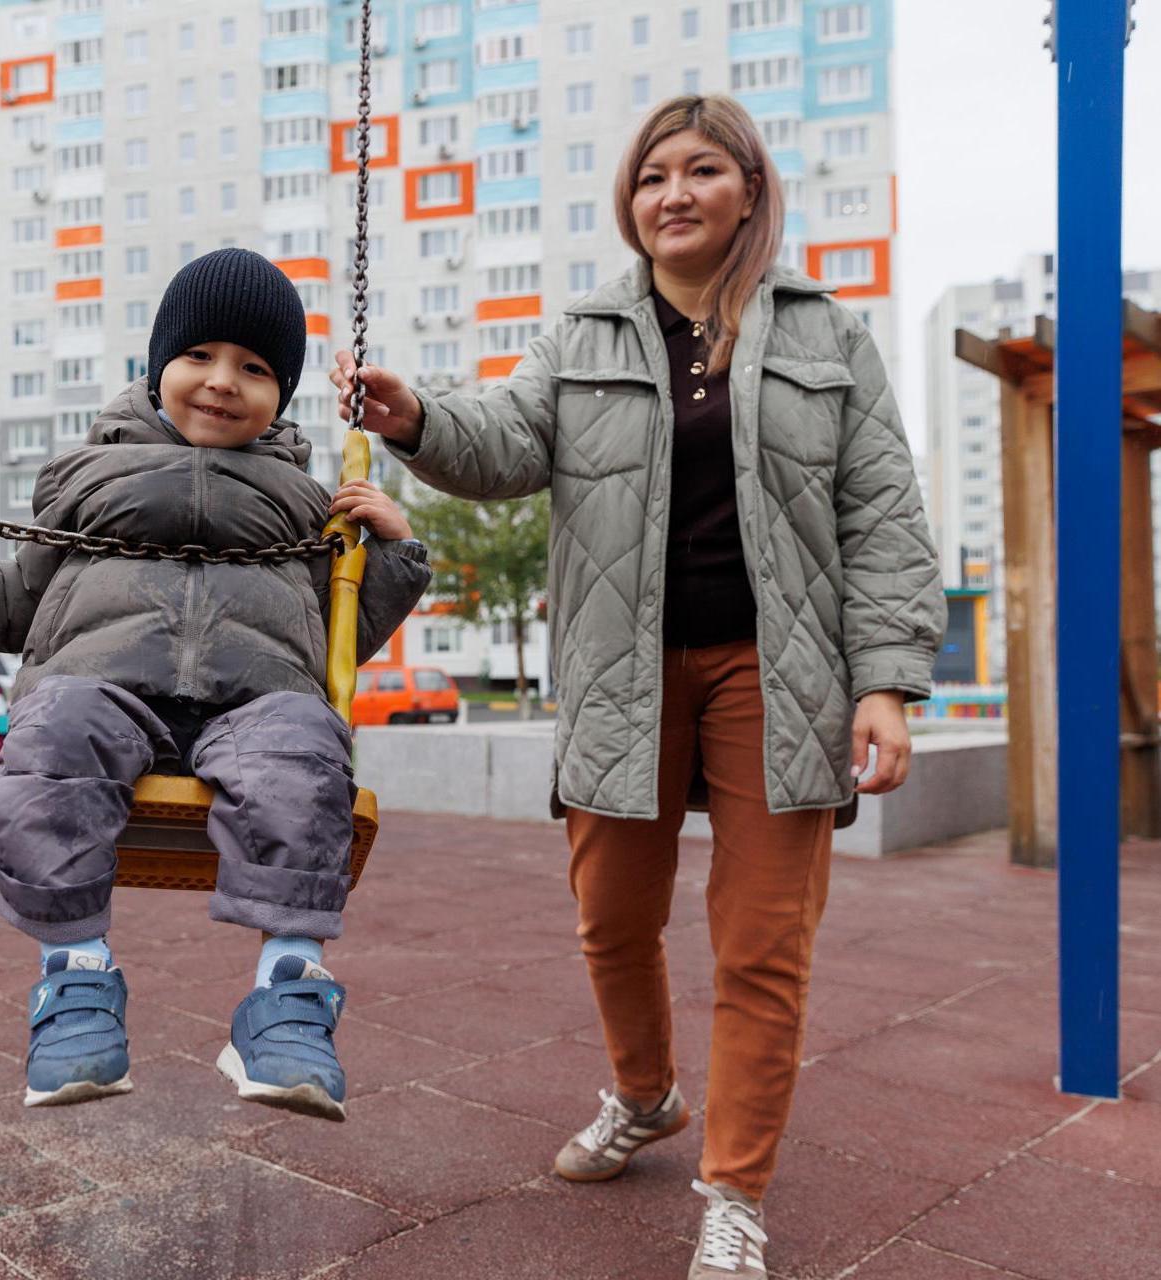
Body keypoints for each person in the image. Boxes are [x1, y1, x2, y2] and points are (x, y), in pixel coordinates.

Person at [331, 96, 944, 1278]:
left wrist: (884, 682)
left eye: (701, 169)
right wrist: (415, 420)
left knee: (760, 944)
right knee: (610, 915)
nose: (672, 192)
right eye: (651, 174)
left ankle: (734, 1188)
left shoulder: (824, 334)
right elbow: (505, 440)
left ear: (748, 189)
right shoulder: (585, 333)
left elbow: (881, 512)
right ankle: (644, 1092)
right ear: (629, 200)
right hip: (621, 667)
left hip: (779, 672)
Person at [0, 249, 430, 1122]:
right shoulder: (89, 478)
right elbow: (23, 602)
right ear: (159, 363)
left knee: (305, 751)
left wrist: (391, 554)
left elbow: (336, 636)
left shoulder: (308, 503)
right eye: (198, 355)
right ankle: (75, 978)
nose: (222, 381)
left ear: (282, 394)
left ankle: (286, 993)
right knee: (53, 726)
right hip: (102, 687)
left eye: (254, 368)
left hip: (255, 704)